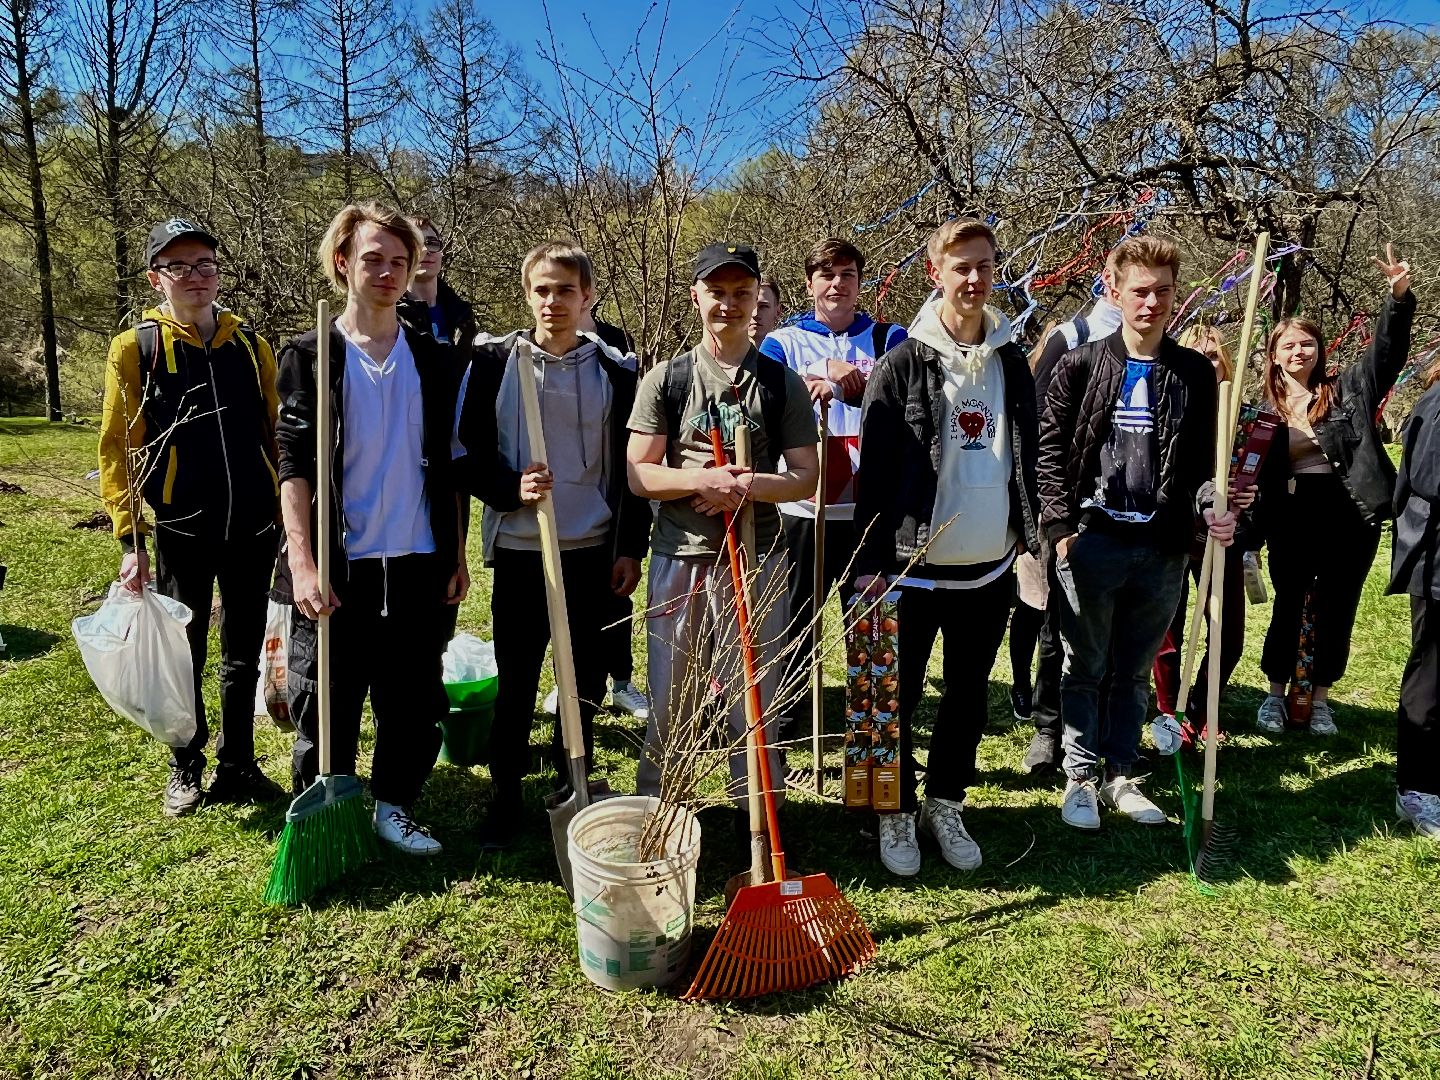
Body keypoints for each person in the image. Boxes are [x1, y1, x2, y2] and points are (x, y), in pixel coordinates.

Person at [275, 201, 466, 855]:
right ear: (342, 264)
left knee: (412, 700)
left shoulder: (433, 359)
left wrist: (456, 552)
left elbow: (447, 465)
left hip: (416, 557)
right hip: (340, 564)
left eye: (398, 261)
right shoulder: (311, 356)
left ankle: (395, 805)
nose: (386, 272)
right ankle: (327, 813)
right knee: (325, 697)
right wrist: (302, 562)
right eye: (372, 259)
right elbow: (294, 468)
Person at [852, 218, 1039, 876]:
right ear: (936, 273)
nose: (973, 279)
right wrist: (871, 563)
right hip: (913, 569)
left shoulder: (1013, 358)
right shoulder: (902, 363)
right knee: (895, 696)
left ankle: (945, 801)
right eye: (960, 267)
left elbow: (1028, 454)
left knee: (966, 696)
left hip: (987, 570)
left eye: (984, 266)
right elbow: (873, 473)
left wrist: (1031, 539)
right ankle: (896, 809)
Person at [455, 241, 651, 848]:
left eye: (565, 290)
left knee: (586, 678)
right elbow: (462, 453)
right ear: (527, 294)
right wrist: (508, 488)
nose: (552, 301)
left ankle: (577, 782)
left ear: (586, 296)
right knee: (517, 678)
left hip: (593, 548)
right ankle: (505, 793)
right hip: (522, 550)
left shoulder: (616, 371)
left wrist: (629, 548)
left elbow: (633, 468)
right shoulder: (494, 365)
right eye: (541, 289)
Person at [1037, 235, 1236, 831]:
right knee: (1085, 663)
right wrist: (1060, 527)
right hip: (1092, 540)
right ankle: (1079, 776)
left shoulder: (1196, 373)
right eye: (1140, 291)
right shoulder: (1079, 364)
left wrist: (1213, 509)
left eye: (1164, 292)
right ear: (1114, 291)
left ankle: (1121, 772)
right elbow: (1048, 451)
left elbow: (1203, 467)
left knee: (1134, 668)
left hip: (1161, 547)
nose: (1152, 303)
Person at [99, 218, 284, 816]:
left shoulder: (250, 347)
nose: (196, 277)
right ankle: (186, 762)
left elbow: (276, 430)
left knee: (242, 646)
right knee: (186, 650)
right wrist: (132, 538)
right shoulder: (138, 349)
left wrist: (287, 509)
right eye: (180, 267)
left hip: (254, 523)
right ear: (158, 278)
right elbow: (118, 446)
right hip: (183, 526)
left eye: (205, 264)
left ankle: (239, 760)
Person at [627, 242, 819, 808]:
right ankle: (663, 812)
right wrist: (701, 482)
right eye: (717, 293)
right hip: (681, 557)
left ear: (758, 297)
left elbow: (805, 478)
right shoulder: (669, 379)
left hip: (758, 560)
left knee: (754, 698)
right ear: (697, 297)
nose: (729, 305)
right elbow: (640, 474)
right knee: (671, 697)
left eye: (741, 293)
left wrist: (746, 486)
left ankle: (756, 814)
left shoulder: (780, 383)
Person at [1253, 246, 1414, 737]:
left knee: (1338, 604)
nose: (1299, 352)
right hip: (1294, 513)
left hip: (1351, 512)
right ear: (1275, 357)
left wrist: (1398, 297)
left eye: (1307, 344)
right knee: (1289, 600)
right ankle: (1275, 695)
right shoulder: (1263, 409)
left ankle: (1320, 698)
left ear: (1319, 350)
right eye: (1289, 346)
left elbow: (1386, 353)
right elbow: (1253, 474)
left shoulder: (1348, 389)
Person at [759, 239, 906, 734]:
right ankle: (786, 715)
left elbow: (913, 403)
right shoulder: (782, 341)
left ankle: (871, 724)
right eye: (826, 275)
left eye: (846, 275)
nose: (837, 285)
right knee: (795, 619)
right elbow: (765, 395)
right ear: (810, 283)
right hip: (806, 505)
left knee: (869, 620)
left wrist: (864, 383)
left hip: (870, 507)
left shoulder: (889, 339)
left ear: (860, 283)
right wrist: (820, 376)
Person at [1021, 263, 1124, 774]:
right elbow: (1041, 428)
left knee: (1117, 628)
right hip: (1071, 510)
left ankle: (1106, 731)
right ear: (1110, 283)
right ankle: (1048, 728)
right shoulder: (1073, 338)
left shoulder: (1159, 343)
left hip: (1131, 512)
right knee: (1060, 621)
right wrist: (1053, 511)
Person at [1149, 326, 1262, 748]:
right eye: (1197, 354)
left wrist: (1250, 496)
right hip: (1175, 529)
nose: (1206, 363)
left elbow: (1260, 480)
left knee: (1227, 632)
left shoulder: (1245, 419)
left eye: (1214, 356)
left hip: (1224, 534)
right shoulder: (1165, 410)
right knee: (1168, 629)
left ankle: (1201, 707)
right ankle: (1167, 711)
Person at [398, 213, 479, 644]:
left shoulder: (462, 317)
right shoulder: (390, 316)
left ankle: (436, 663)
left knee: (450, 568)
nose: (426, 250)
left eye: (432, 242)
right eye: (416, 243)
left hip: (453, 461)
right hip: (407, 458)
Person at [1389, 348, 1440, 839]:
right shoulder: (1437, 402)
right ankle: (1417, 788)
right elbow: (1429, 478)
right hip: (1438, 561)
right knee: (1432, 672)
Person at [749, 276, 784, 347]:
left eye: (763, 306)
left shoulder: (791, 355)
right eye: (749, 306)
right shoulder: (724, 356)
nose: (755, 314)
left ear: (778, 312)